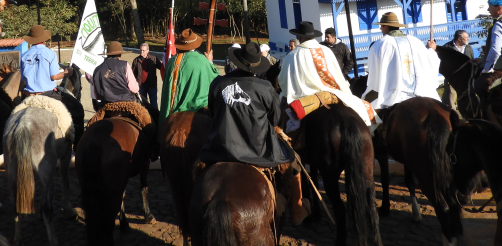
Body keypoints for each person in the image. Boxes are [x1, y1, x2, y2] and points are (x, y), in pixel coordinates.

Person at [200, 42, 311, 224]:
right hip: (258, 151)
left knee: (196, 170)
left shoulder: (218, 83)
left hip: (219, 148)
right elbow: (275, 119)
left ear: (237, 62)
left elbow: (212, 113)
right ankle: (297, 209)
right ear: (256, 66)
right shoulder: (265, 87)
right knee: (295, 161)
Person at [279, 21, 373, 131]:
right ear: (313, 36)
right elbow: (336, 74)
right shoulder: (326, 51)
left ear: (299, 37)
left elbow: (283, 81)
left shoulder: (292, 55)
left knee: (281, 118)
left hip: (304, 96)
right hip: (331, 92)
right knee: (361, 106)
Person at [363, 12, 441, 113]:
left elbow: (373, 74)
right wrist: (431, 49)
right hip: (422, 92)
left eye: (381, 26)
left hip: (393, 96)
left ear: (386, 26)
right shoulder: (416, 41)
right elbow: (431, 61)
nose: (380, 28)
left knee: (367, 112)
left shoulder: (379, 44)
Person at [159, 29, 219, 129]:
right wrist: (210, 62)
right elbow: (215, 78)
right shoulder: (203, 61)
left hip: (171, 110)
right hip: (195, 108)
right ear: (194, 45)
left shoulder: (171, 61)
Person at [20, 25, 64, 101]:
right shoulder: (50, 53)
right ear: (43, 38)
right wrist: (66, 73)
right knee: (74, 104)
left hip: (29, 95)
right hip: (47, 94)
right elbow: (54, 76)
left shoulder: (24, 56)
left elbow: (22, 79)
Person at [91, 41, 139, 106]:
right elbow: (133, 88)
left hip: (105, 104)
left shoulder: (97, 69)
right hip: (126, 103)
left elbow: (96, 95)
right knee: (144, 112)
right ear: (119, 55)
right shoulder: (124, 65)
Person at [439, 30, 474, 108]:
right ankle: (453, 113)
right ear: (459, 39)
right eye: (466, 37)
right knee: (451, 99)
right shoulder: (447, 48)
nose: (468, 39)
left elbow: (471, 59)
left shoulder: (468, 47)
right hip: (452, 78)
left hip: (466, 79)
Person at [131, 43, 163, 117]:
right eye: (141, 50)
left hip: (152, 86)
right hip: (141, 86)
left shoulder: (153, 59)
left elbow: (162, 68)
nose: (141, 52)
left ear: (148, 51)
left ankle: (156, 119)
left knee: (154, 104)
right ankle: (145, 119)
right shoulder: (136, 61)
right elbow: (132, 74)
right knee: (143, 105)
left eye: (143, 50)